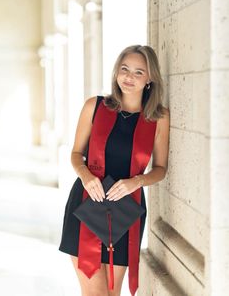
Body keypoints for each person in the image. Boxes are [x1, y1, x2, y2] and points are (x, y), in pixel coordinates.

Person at [58, 45, 170, 296]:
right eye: (125, 69)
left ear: (150, 78)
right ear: (116, 72)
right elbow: (76, 154)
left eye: (139, 72)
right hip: (88, 202)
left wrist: (137, 182)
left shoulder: (158, 118)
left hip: (126, 209)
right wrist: (86, 177)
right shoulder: (94, 107)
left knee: (112, 293)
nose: (129, 77)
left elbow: (161, 169)